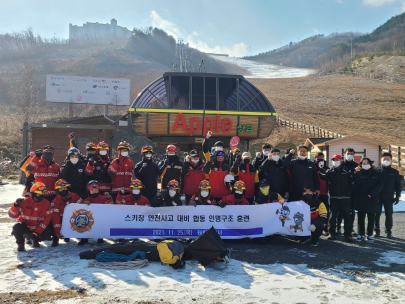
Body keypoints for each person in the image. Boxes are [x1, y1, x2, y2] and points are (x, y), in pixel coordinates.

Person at [8, 182, 54, 251]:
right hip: (25, 227)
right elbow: (12, 215)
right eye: (39, 193)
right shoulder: (24, 202)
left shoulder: (47, 203)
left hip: (37, 227)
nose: (41, 195)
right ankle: (21, 244)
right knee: (16, 227)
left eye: (42, 193)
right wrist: (16, 205)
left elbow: (46, 221)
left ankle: (35, 240)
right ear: (33, 193)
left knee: (48, 233)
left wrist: (36, 233)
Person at [319, 154, 354, 242]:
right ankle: (331, 233)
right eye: (333, 160)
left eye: (337, 159)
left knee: (347, 217)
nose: (335, 161)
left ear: (341, 160)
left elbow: (352, 183)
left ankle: (348, 234)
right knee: (332, 217)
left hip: (345, 197)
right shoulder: (330, 171)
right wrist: (319, 168)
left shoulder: (347, 171)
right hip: (334, 197)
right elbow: (323, 176)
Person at [353, 158, 383, 242]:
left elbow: (380, 184)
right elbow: (356, 184)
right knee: (360, 218)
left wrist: (372, 193)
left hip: (372, 198)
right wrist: (357, 173)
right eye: (363, 163)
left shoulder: (376, 173)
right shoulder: (359, 173)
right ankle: (360, 234)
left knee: (371, 218)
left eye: (366, 163)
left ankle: (370, 234)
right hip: (361, 198)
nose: (365, 165)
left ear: (370, 164)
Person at [77, 180, 113, 245]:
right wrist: (84, 204)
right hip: (89, 219)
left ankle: (100, 238)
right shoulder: (86, 199)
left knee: (101, 223)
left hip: (100, 218)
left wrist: (109, 198)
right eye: (92, 190)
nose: (94, 192)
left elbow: (110, 205)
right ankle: (84, 239)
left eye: (96, 190)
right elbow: (80, 209)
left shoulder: (103, 198)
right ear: (89, 191)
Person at [375, 152, 402, 238]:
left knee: (389, 215)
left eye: (388, 159)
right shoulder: (376, 171)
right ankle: (377, 231)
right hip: (377, 197)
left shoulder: (394, 172)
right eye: (384, 159)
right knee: (376, 214)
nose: (386, 161)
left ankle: (388, 231)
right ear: (381, 160)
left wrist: (397, 196)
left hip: (389, 197)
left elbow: (398, 185)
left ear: (391, 161)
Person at [51, 179, 81, 246]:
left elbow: (82, 206)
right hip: (62, 220)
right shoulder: (55, 202)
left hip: (74, 219)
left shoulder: (74, 196)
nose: (63, 190)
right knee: (53, 224)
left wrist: (85, 203)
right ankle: (55, 240)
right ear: (57, 190)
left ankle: (83, 238)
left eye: (64, 188)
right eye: (61, 189)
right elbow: (56, 219)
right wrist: (57, 232)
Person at [339, 147, 359, 234]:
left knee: (352, 210)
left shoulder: (356, 165)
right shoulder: (341, 164)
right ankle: (338, 227)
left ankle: (350, 228)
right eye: (348, 154)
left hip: (353, 192)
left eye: (351, 154)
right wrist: (352, 171)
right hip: (342, 191)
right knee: (340, 210)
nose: (350, 155)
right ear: (344, 154)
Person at [314, 152, 330, 234]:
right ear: (315, 158)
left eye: (322, 157)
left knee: (325, 211)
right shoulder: (312, 167)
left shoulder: (327, 168)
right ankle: (315, 226)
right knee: (315, 211)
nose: (320, 159)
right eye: (318, 157)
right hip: (315, 193)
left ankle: (324, 227)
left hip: (324, 193)